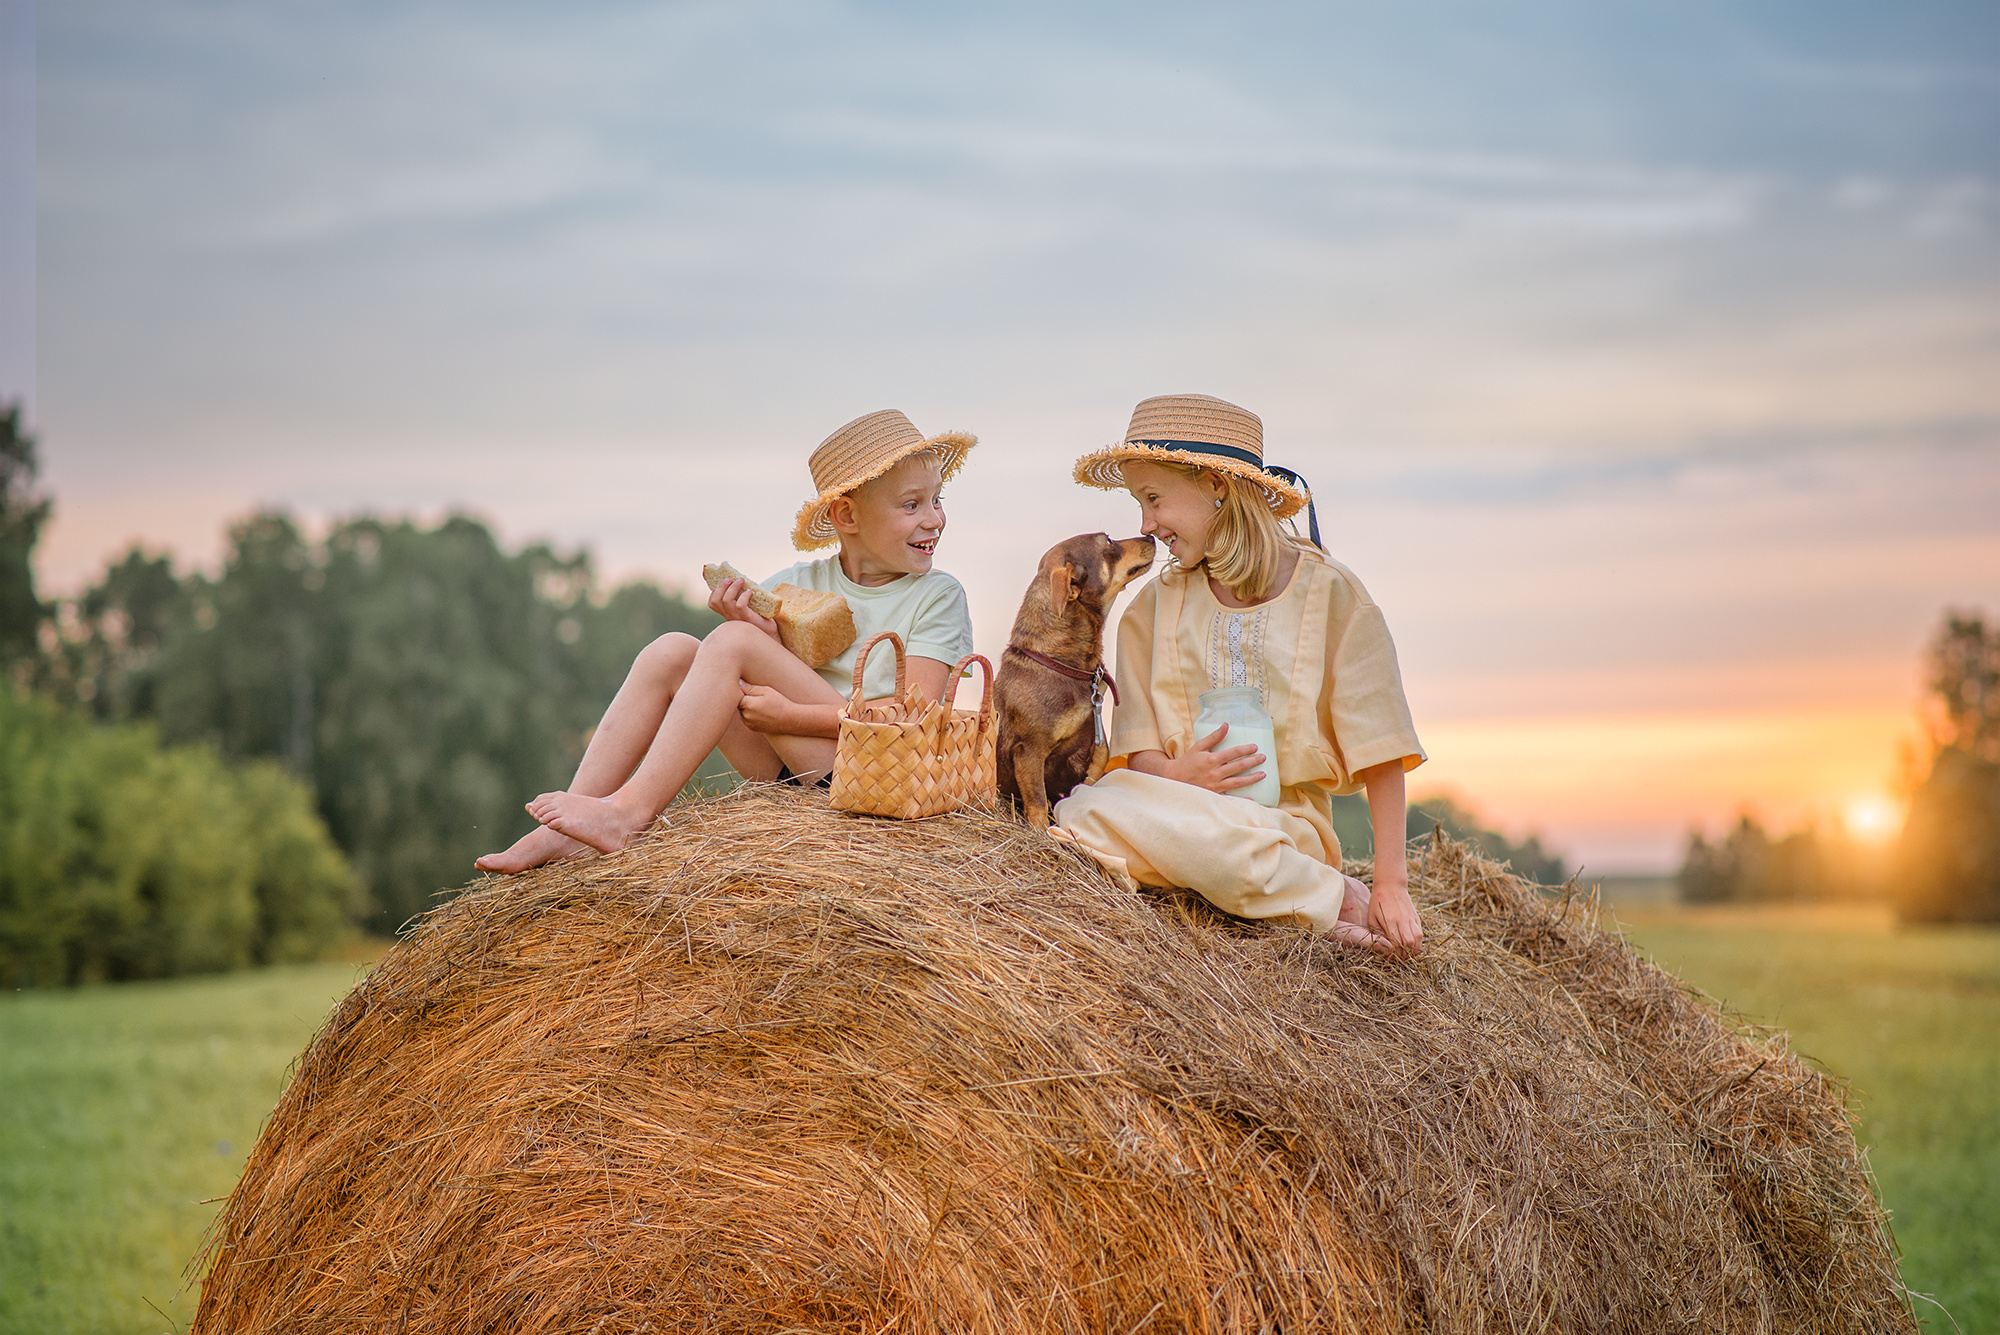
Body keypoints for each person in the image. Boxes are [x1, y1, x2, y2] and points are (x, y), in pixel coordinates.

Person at [476, 410, 977, 872]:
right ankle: (567, 828)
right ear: (847, 518)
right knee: (671, 650)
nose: (934, 518)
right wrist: (764, 638)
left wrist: (787, 714)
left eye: (937, 500)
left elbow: (917, 717)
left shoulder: (937, 595)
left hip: (871, 773)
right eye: (912, 505)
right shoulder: (796, 584)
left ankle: (630, 814)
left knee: (733, 642)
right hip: (789, 770)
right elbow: (754, 673)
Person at [1049, 393, 1426, 954]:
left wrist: (1391, 884)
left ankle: (1320, 892)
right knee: (1079, 810)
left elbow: (1381, 745)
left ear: (1216, 486)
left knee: (1228, 848)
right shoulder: (1152, 609)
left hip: (1281, 828)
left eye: (1153, 499)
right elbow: (1139, 747)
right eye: (1139, 504)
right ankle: (1309, 900)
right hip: (1173, 807)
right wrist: (1181, 775)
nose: (1146, 525)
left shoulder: (1332, 595)